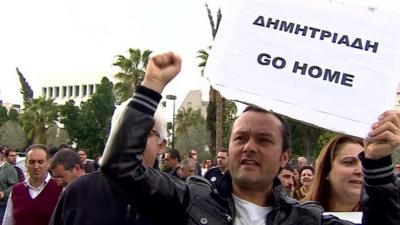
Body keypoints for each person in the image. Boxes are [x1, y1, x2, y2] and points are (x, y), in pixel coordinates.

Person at [100, 52, 400, 225]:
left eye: (264, 140)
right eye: (240, 137)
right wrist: (151, 86)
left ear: (285, 157)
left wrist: (377, 164)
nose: (249, 146)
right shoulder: (188, 201)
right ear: (228, 148)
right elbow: (119, 166)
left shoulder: (307, 220)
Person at [48, 100, 168, 225]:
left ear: (161, 145)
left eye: (144, 132)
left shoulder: (176, 200)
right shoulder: (78, 193)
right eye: (123, 131)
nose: (132, 139)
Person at [3, 144, 63, 225]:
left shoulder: (59, 189)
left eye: (40, 162)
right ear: (26, 163)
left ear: (48, 163)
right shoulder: (16, 190)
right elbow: (8, 222)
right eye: (31, 162)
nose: (36, 166)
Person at [303, 135, 364, 212]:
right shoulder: (299, 216)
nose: (361, 171)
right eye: (349, 162)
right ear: (327, 170)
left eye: (366, 164)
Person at [0, 148, 18, 221]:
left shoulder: (9, 169)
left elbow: (15, 186)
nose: (14, 157)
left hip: (2, 206)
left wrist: (3, 193)